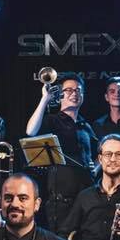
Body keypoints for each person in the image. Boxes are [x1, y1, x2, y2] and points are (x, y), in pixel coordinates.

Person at [25, 71, 97, 231]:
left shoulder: (86, 126)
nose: (74, 93)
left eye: (78, 90)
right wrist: (45, 99)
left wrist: (95, 167)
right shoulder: (52, 120)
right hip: (62, 199)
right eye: (69, 90)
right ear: (60, 96)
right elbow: (30, 131)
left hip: (87, 194)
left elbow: (98, 154)